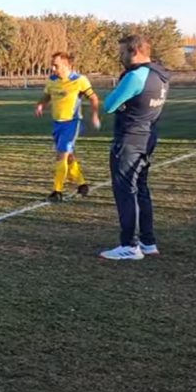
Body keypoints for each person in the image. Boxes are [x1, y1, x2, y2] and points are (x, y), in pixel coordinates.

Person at [99, 35, 170, 261]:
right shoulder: (160, 75)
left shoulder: (135, 76)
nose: (120, 58)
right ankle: (148, 242)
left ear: (135, 51)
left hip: (129, 139)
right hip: (148, 136)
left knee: (125, 191)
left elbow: (109, 105)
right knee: (141, 189)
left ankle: (129, 245)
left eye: (122, 53)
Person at [34, 52, 101, 202]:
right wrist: (41, 104)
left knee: (61, 154)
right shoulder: (52, 80)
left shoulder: (80, 80)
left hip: (72, 123)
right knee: (68, 156)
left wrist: (94, 114)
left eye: (56, 65)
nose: (52, 68)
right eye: (52, 65)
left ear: (66, 65)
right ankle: (82, 184)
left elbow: (94, 97)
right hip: (56, 123)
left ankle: (57, 191)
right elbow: (47, 95)